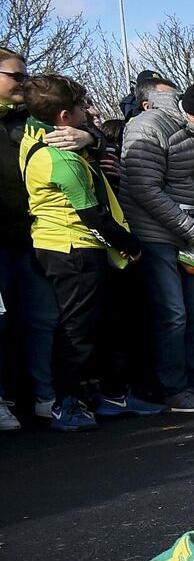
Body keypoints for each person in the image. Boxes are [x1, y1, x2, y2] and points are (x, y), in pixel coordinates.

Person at [19, 75, 161, 430]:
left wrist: (91, 136)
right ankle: (65, 403)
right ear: (65, 116)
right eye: (83, 107)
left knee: (106, 324)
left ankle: (113, 394)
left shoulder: (40, 136)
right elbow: (92, 213)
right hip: (72, 248)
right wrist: (129, 246)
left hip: (80, 246)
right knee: (77, 331)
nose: (89, 111)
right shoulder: (59, 158)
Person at [119, 78, 194, 412]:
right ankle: (174, 388)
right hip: (154, 235)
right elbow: (144, 190)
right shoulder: (148, 127)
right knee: (172, 314)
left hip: (190, 237)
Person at [3, 47, 86, 428]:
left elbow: (85, 132)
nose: (23, 82)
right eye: (14, 76)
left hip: (33, 236)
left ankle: (44, 396)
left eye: (24, 75)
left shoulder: (32, 121)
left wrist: (89, 138)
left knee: (44, 319)